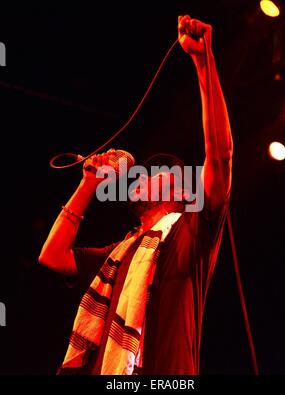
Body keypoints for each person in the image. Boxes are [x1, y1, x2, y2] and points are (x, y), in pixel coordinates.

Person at [39, 15, 233, 375]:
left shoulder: (190, 233)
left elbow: (220, 156)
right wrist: (88, 185)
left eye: (157, 173)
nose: (141, 175)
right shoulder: (118, 253)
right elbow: (52, 255)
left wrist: (203, 63)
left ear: (180, 191)